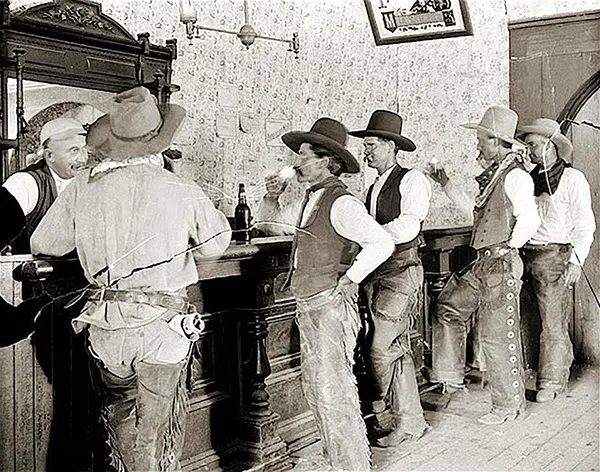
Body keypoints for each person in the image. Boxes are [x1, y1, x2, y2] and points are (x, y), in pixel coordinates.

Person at [31, 86, 232, 472]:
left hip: (107, 329)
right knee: (155, 432)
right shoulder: (180, 187)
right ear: (158, 143)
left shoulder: (82, 189)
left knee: (120, 418)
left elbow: (46, 243)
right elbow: (215, 245)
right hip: (163, 328)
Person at [257, 117, 394, 471]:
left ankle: (351, 466)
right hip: (311, 305)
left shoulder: (341, 202)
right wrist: (271, 198)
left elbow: (382, 242)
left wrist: (351, 278)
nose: (296, 162)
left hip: (331, 307)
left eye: (302, 155)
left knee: (334, 391)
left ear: (325, 160)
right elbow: (271, 226)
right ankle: (338, 460)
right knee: (318, 387)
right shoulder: (312, 198)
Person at [427, 106, 541, 425]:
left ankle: (508, 406)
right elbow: (473, 209)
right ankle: (452, 379)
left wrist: (510, 247)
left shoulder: (515, 174)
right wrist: (444, 181)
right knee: (447, 307)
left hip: (500, 266)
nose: (477, 146)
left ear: (496, 141)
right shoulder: (494, 176)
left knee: (497, 335)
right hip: (481, 265)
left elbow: (531, 218)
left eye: (481, 140)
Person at [348, 110, 431, 447]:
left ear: (389, 146)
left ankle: (384, 408)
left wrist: (375, 235)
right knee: (392, 347)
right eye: (365, 146)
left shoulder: (413, 180)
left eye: (370, 146)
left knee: (381, 347)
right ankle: (410, 422)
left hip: (402, 273)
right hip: (377, 274)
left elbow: (411, 223)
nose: (365, 152)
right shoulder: (372, 187)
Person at [517, 118, 595, 403]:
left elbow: (585, 224)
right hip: (526, 255)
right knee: (528, 317)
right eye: (527, 145)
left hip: (556, 256)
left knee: (553, 321)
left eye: (534, 145)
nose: (530, 151)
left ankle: (552, 380)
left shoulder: (573, 179)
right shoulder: (526, 178)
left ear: (551, 146)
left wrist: (576, 261)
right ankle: (532, 372)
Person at [1, 117, 88, 254]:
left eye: (84, 150)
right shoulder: (25, 184)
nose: (83, 159)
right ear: (49, 155)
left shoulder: (89, 181)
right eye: (74, 150)